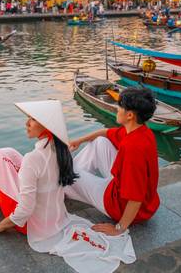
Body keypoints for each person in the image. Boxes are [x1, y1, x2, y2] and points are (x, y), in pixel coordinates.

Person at [0, 100, 135, 272]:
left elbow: (26, 208)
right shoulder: (62, 150)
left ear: (46, 127)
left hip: (31, 225)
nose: (27, 123)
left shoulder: (33, 159)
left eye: (32, 119)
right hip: (56, 218)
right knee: (6, 153)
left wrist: (2, 225)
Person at [65, 87, 160, 236]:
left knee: (64, 172)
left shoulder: (133, 148)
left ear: (129, 115)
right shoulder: (141, 131)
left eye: (120, 106)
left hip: (117, 205)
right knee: (100, 141)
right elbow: (106, 133)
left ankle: (66, 182)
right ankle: (69, 183)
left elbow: (136, 198)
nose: (117, 109)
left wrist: (119, 228)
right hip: (131, 195)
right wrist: (80, 140)